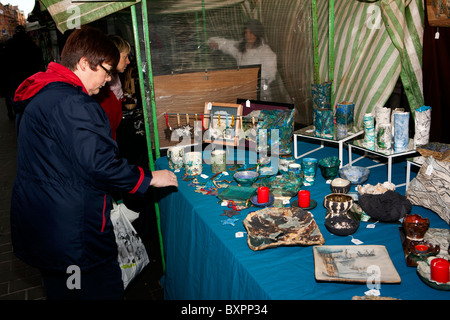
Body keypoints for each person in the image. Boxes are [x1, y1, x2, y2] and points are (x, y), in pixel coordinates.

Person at [10, 25, 178, 300]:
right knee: (91, 291)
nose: (108, 79)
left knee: (67, 291)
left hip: (48, 222)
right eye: (106, 70)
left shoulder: (44, 91)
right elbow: (99, 163)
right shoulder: (72, 103)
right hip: (72, 234)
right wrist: (147, 178)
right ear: (85, 63)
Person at [208, 19, 277, 100]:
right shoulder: (241, 48)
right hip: (244, 89)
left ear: (257, 33)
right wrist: (214, 42)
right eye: (246, 33)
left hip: (260, 93)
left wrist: (253, 79)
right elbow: (227, 44)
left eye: (251, 33)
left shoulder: (265, 51)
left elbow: (270, 74)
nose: (248, 36)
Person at [0, 25, 43, 120]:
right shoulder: (31, 43)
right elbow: (39, 59)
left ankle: (19, 117)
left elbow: (4, 61)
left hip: (15, 76)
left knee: (17, 97)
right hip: (30, 76)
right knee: (31, 96)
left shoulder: (9, 44)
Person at [95, 35, 131, 140]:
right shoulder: (101, 90)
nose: (128, 61)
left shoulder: (114, 84)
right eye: (125, 57)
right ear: (113, 56)